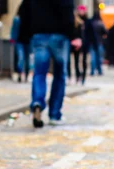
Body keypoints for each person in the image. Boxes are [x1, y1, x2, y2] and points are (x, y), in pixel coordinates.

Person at [19, 0, 81, 128]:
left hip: (39, 35)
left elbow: (24, 10)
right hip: (59, 35)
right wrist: (73, 35)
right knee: (59, 75)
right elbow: (68, 10)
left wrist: (25, 35)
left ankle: (37, 102)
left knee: (39, 73)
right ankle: (54, 114)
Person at [11, 9, 31, 83]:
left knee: (27, 60)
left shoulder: (30, 20)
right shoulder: (17, 19)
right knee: (21, 57)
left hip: (28, 42)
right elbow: (13, 30)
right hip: (19, 42)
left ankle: (26, 75)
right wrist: (12, 39)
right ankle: (20, 73)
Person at [90, 10, 106, 76]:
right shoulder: (100, 23)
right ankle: (99, 71)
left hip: (92, 43)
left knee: (93, 58)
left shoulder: (91, 23)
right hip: (99, 42)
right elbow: (105, 33)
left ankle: (92, 71)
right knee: (99, 57)